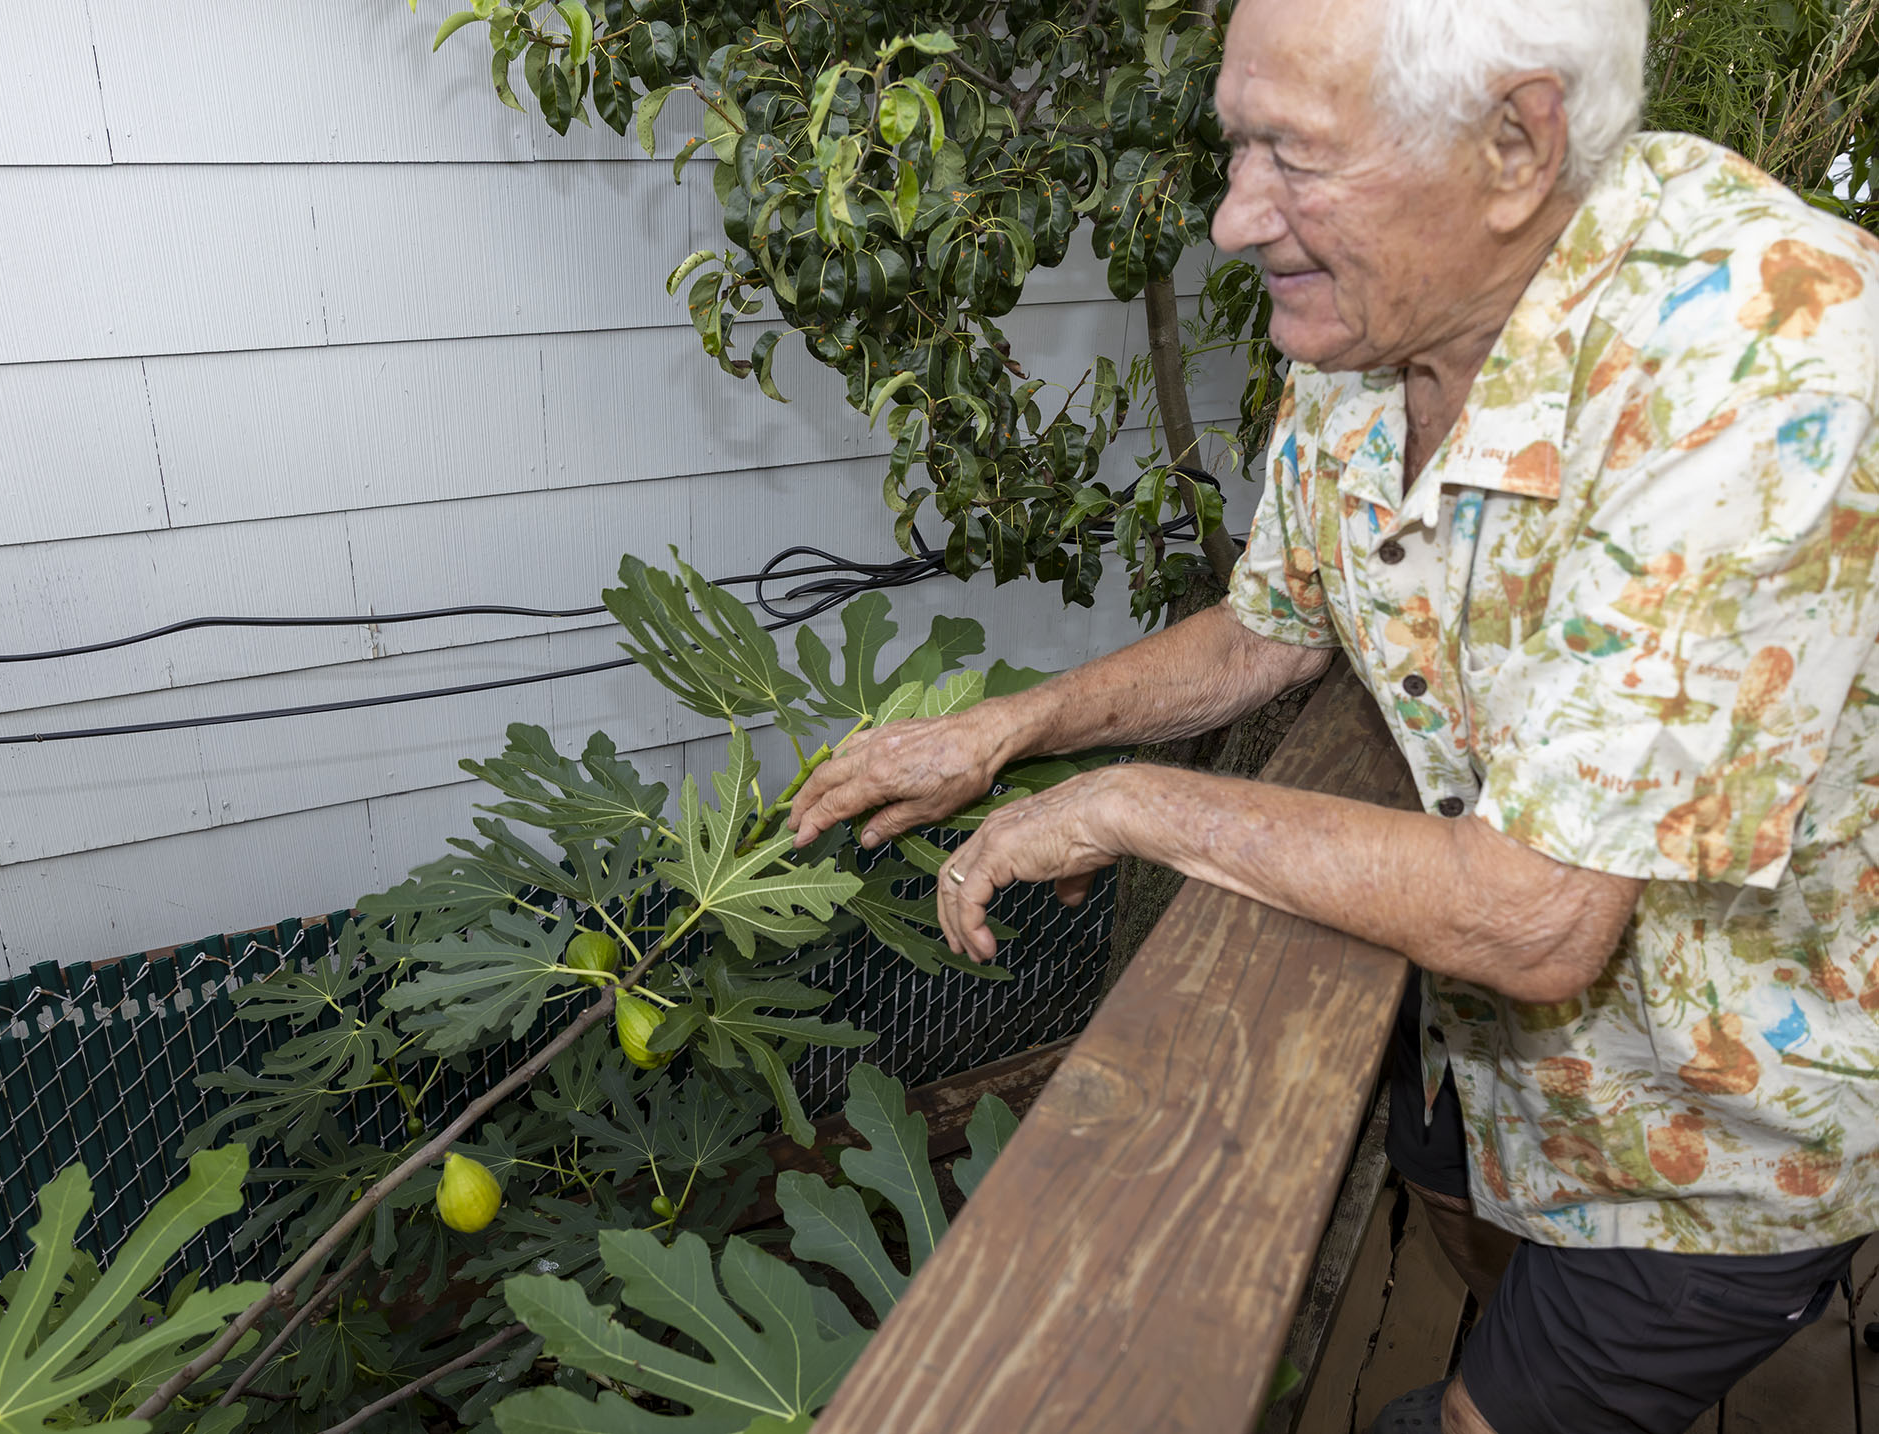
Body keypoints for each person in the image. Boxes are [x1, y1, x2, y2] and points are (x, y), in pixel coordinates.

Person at [787, 0, 1879, 1429]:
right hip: (1472, 1050)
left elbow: (1534, 917)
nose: (1235, 219)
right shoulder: (1373, 309)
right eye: (1236, 149)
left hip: (1712, 1132)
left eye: (1292, 156)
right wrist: (1005, 728)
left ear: (1514, 144)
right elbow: (1269, 626)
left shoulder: (1765, 352)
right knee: (1469, 1249)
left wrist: (1131, 801)